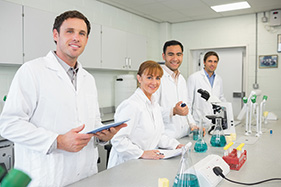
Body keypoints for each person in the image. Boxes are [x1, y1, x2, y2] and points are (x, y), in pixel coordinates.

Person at [0, 10, 126, 187]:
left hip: (85, 176)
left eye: (82, 33)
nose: (76, 37)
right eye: (70, 31)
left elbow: (93, 122)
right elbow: (9, 124)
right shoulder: (32, 71)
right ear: (55, 35)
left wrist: (103, 136)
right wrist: (57, 141)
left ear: (87, 40)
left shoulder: (88, 79)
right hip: (48, 177)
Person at [107, 60, 184, 168]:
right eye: (149, 77)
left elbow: (159, 135)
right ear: (139, 78)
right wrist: (141, 153)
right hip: (125, 165)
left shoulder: (154, 105)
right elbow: (118, 140)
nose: (154, 82)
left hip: (144, 163)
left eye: (157, 78)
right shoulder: (131, 105)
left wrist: (175, 145)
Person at [154, 40, 197, 139]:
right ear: (164, 56)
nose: (175, 58)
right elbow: (152, 110)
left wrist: (193, 125)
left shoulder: (182, 79)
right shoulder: (157, 79)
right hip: (166, 137)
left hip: (184, 135)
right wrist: (173, 111)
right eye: (170, 54)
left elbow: (186, 108)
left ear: (182, 56)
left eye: (178, 54)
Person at [187, 51, 226, 126]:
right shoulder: (194, 78)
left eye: (215, 62)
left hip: (215, 122)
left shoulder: (219, 79)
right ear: (204, 62)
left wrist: (227, 110)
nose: (212, 64)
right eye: (210, 61)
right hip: (198, 122)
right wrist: (191, 123)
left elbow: (221, 97)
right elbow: (188, 102)